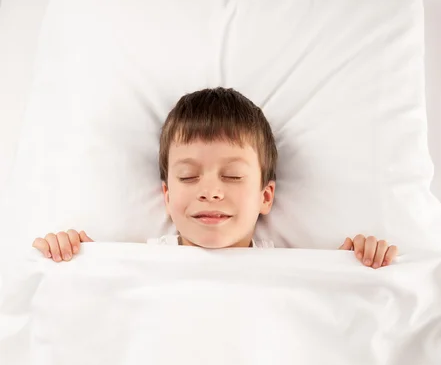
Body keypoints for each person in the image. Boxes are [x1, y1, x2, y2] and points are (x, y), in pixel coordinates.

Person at [32, 87, 398, 269]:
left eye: (233, 176)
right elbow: (104, 310)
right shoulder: (143, 262)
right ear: (166, 195)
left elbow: (322, 315)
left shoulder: (284, 268)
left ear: (265, 196)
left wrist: (354, 268)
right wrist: (73, 258)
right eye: (189, 177)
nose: (210, 191)